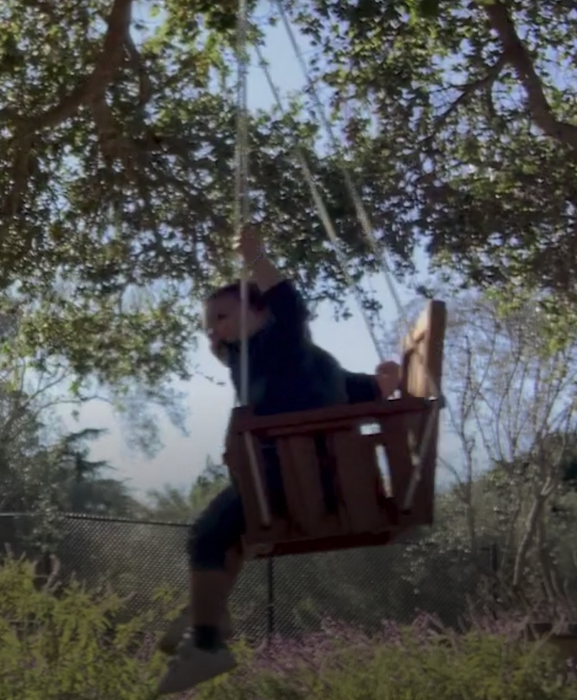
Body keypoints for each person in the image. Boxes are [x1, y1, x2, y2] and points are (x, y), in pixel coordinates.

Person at [156, 225, 402, 695]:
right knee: (223, 535)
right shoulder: (309, 361)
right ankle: (204, 622)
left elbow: (290, 307)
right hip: (326, 486)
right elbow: (358, 389)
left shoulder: (278, 344)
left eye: (224, 318)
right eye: (209, 326)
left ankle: (206, 639)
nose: (216, 332)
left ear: (261, 313)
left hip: (291, 488)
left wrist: (257, 260)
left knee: (208, 533)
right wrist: (383, 384)